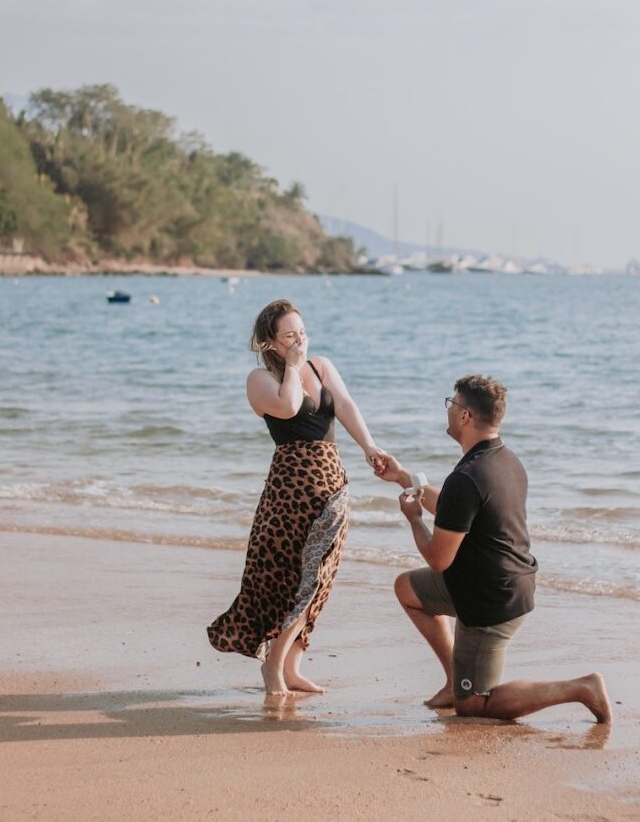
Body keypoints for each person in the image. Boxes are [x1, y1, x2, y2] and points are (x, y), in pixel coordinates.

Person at [374, 374, 612, 724]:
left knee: (472, 706)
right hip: (503, 582)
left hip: (490, 601)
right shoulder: (505, 460)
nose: (448, 411)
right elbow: (457, 511)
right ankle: (456, 678)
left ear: (465, 415)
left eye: (451, 404)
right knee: (407, 587)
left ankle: (580, 688)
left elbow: (439, 558)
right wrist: (403, 477)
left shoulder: (467, 477)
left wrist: (413, 519)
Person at [207, 299, 386, 696]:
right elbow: (288, 407)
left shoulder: (320, 365)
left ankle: (292, 666)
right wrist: (291, 365)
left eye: (302, 332)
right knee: (293, 580)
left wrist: (369, 447)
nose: (300, 341)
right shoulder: (259, 379)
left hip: (332, 484)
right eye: (290, 336)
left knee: (321, 580)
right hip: (290, 491)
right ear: (270, 342)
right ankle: (272, 668)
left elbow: (346, 406)